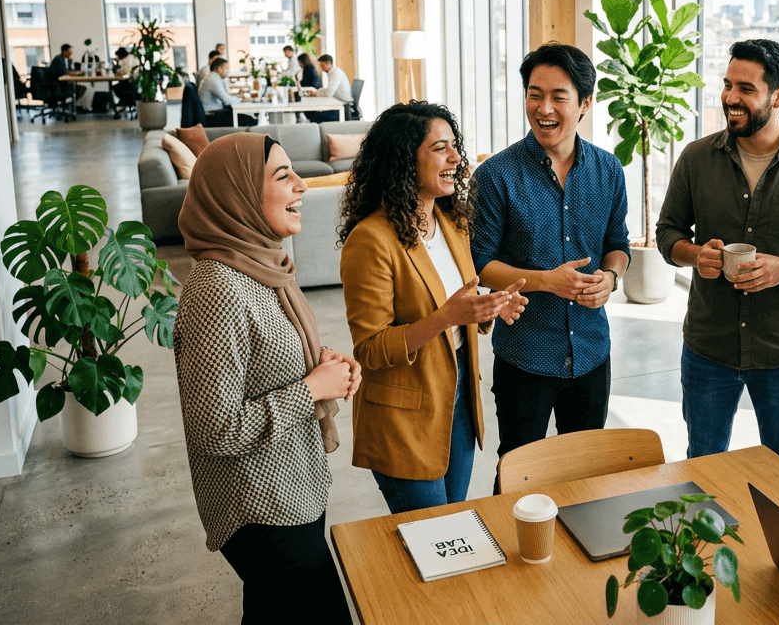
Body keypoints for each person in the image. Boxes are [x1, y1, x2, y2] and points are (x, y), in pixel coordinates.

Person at [174, 132, 362, 623]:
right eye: (283, 176)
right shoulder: (216, 291)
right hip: (260, 504)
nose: (302, 184)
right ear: (235, 195)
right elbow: (215, 429)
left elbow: (264, 356)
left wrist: (324, 363)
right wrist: (312, 388)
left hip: (294, 485)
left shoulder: (262, 264)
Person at [655, 38, 779, 473]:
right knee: (703, 462)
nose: (730, 98)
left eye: (745, 89)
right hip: (709, 346)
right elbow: (667, 233)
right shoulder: (695, 159)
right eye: (728, 85)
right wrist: (694, 255)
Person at [339, 102, 527, 513]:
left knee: (452, 522)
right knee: (429, 532)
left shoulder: (452, 222)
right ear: (405, 161)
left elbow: (462, 308)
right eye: (440, 148)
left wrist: (489, 307)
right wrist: (447, 317)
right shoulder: (370, 240)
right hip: (404, 416)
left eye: (454, 146)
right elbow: (370, 349)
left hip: (458, 398)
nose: (456, 158)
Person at [471, 43, 630, 487]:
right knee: (517, 473)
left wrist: (611, 278)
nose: (544, 108)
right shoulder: (495, 175)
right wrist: (545, 282)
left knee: (586, 475)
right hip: (525, 358)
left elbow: (618, 244)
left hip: (592, 355)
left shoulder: (609, 170)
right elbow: (481, 262)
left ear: (584, 104)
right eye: (534, 94)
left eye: (559, 96)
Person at [199, 57, 256, 127]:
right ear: (220, 69)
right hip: (212, 116)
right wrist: (241, 100)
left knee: (247, 117)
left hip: (214, 113)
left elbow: (226, 94)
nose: (228, 71)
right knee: (251, 120)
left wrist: (239, 98)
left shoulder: (214, 77)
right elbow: (226, 100)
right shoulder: (213, 79)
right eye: (227, 68)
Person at [303, 53, 350, 123]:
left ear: (329, 64)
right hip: (337, 103)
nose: (321, 68)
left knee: (313, 115)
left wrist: (316, 94)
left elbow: (329, 93)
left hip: (343, 107)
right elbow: (328, 90)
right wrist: (316, 92)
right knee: (312, 114)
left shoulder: (336, 74)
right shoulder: (333, 72)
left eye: (322, 65)